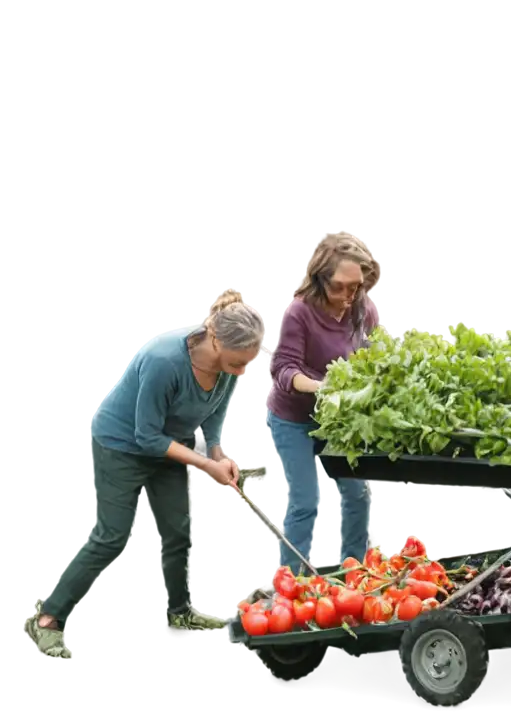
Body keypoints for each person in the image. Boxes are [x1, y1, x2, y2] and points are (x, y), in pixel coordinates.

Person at [26, 287, 264, 659]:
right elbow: (146, 436)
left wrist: (219, 452)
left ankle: (180, 613)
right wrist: (205, 465)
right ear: (215, 339)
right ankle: (47, 617)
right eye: (237, 363)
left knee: (177, 532)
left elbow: (212, 414)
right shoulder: (164, 361)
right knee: (111, 535)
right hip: (120, 445)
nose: (241, 371)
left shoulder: (229, 364)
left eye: (246, 363)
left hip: (169, 445)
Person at [266, 228, 381, 577]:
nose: (348, 295)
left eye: (356, 286)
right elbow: (284, 370)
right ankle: (291, 585)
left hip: (338, 421)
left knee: (358, 495)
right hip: (295, 420)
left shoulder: (362, 311)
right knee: (306, 504)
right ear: (321, 280)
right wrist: (323, 388)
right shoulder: (298, 313)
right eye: (339, 287)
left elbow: (374, 359)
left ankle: (354, 570)